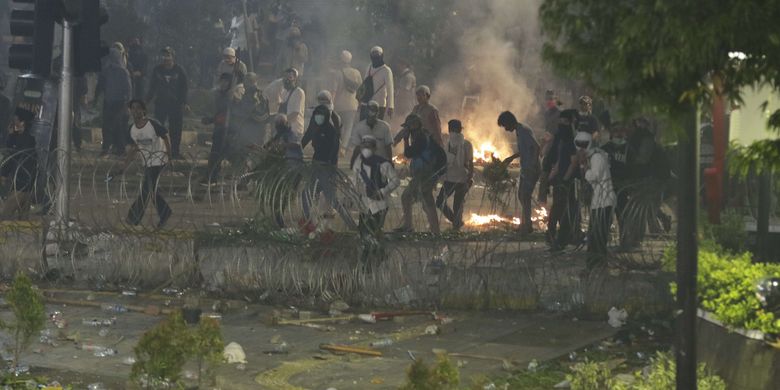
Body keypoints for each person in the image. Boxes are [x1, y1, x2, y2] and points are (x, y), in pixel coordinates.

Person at [111, 100, 172, 228]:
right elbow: (134, 149)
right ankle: (165, 212)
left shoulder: (152, 124)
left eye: (138, 108)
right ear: (130, 111)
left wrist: (169, 156)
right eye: (133, 108)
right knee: (151, 190)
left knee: (146, 189)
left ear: (144, 110)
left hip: (158, 159)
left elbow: (166, 136)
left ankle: (133, 217)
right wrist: (124, 165)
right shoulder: (132, 130)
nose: (136, 111)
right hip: (147, 162)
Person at [352, 135, 400, 267]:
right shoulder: (359, 162)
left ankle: (367, 263)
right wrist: (354, 195)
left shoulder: (383, 164)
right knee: (364, 231)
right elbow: (354, 180)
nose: (366, 150)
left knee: (371, 232)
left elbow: (396, 181)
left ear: (374, 148)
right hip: (364, 204)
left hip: (379, 205)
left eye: (368, 147)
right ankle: (380, 254)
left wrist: (382, 192)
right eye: (364, 147)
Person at [395, 114, 443, 234]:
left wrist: (405, 140)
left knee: (420, 199)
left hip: (425, 174)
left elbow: (409, 153)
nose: (407, 130)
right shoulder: (421, 135)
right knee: (417, 199)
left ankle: (432, 230)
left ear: (415, 125)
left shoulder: (421, 138)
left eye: (408, 127)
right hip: (423, 173)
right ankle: (412, 226)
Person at [574, 131, 616, 266]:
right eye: (579, 145)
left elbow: (593, 176)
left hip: (604, 202)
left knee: (598, 236)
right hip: (598, 202)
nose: (581, 148)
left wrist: (583, 166)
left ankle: (597, 265)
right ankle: (594, 265)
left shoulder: (597, 157)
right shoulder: (592, 156)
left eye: (583, 145)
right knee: (594, 236)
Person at [499, 111, 541, 234]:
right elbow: (525, 149)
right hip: (526, 168)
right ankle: (526, 223)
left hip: (531, 169)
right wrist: (511, 158)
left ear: (509, 122)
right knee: (521, 195)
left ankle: (526, 226)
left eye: (505, 126)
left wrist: (532, 165)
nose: (506, 129)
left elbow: (536, 147)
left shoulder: (523, 130)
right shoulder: (520, 130)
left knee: (525, 196)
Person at [146, 47, 189, 159]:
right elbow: (152, 87)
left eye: (168, 55)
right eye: (164, 56)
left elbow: (184, 88)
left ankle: (174, 152)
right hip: (161, 103)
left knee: (176, 129)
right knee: (158, 127)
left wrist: (185, 102)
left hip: (175, 104)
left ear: (173, 57)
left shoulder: (179, 70)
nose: (166, 58)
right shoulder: (157, 70)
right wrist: (146, 101)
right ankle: (158, 151)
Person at [547, 109, 579, 251]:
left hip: (570, 181)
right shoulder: (563, 140)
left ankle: (563, 238)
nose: (561, 125)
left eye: (564, 122)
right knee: (559, 208)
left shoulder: (573, 141)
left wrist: (565, 180)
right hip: (561, 179)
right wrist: (552, 177)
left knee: (568, 209)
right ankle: (554, 236)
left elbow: (573, 162)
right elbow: (560, 160)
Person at [436, 120, 473, 230]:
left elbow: (444, 160)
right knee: (458, 204)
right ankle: (456, 223)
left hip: (450, 178)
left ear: (450, 129)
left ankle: (455, 222)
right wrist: (470, 176)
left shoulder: (447, 142)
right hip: (462, 177)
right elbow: (470, 162)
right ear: (461, 129)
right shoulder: (466, 143)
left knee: (440, 202)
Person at [95, 47, 133, 157]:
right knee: (107, 126)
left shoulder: (123, 71)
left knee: (118, 126)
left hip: (120, 103)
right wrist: (97, 98)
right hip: (108, 101)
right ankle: (106, 148)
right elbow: (101, 85)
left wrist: (128, 104)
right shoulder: (106, 71)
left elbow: (128, 89)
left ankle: (120, 149)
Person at [602, 123, 634, 249]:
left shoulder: (629, 150)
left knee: (622, 216)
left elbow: (633, 169)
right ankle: (602, 243)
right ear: (611, 134)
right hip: (608, 186)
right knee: (605, 217)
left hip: (622, 187)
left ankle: (625, 243)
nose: (619, 134)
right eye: (616, 131)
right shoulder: (605, 148)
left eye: (621, 131)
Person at [1, 108, 37, 220]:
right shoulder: (22, 138)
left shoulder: (27, 140)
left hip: (22, 185)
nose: (13, 122)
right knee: (22, 220)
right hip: (25, 185)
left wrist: (3, 174)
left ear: (22, 123)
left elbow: (12, 157)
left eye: (16, 120)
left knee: (4, 215)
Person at [201, 73, 237, 186]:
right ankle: (211, 178)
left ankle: (211, 178)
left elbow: (228, 114)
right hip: (220, 129)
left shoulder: (232, 97)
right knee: (218, 155)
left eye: (226, 82)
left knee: (219, 155)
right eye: (222, 81)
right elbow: (218, 113)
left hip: (228, 130)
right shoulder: (220, 95)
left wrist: (211, 119)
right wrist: (211, 119)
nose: (223, 83)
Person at [332, 50, 362, 150]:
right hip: (352, 105)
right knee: (348, 127)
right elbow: (361, 88)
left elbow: (334, 91)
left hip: (339, 105)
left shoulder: (337, 73)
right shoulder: (356, 73)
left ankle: (338, 145)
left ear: (341, 60)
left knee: (338, 127)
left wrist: (331, 103)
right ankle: (343, 148)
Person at [357, 46, 394, 121]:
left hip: (379, 104)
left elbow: (390, 89)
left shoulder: (386, 70)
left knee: (376, 127)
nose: (375, 56)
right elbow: (364, 84)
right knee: (363, 125)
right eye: (373, 54)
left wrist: (390, 106)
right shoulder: (369, 67)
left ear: (382, 55)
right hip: (366, 103)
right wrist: (361, 101)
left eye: (377, 54)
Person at [538, 89, 561, 204]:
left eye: (551, 99)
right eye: (547, 99)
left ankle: (557, 204)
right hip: (550, 149)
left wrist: (542, 147)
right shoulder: (547, 114)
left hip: (559, 149)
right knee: (544, 176)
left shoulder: (559, 114)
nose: (549, 101)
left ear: (556, 100)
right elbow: (547, 132)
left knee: (556, 179)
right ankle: (542, 205)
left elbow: (553, 134)